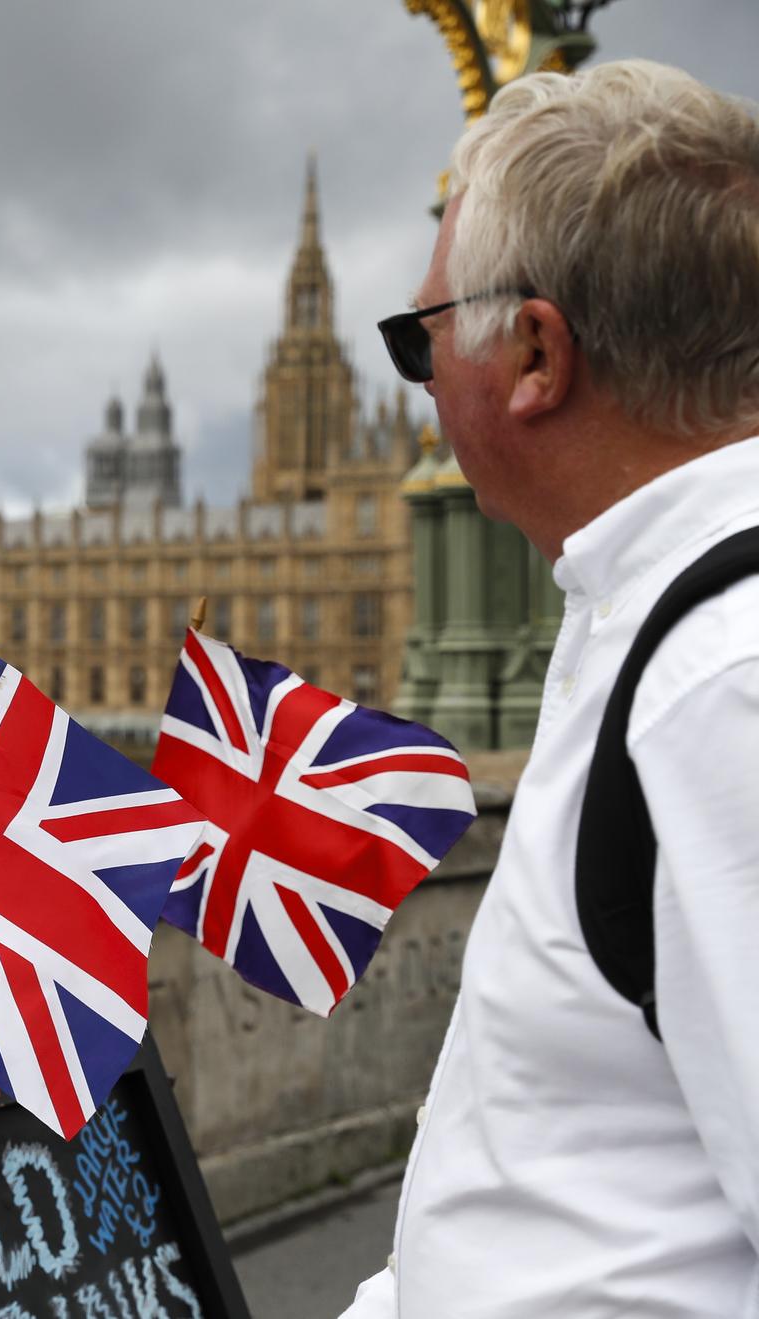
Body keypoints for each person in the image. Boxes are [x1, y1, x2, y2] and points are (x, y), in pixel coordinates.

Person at [344, 60, 759, 1315]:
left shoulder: (719, 688)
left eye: (418, 342)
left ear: (534, 350)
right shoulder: (641, 626)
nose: (414, 390)